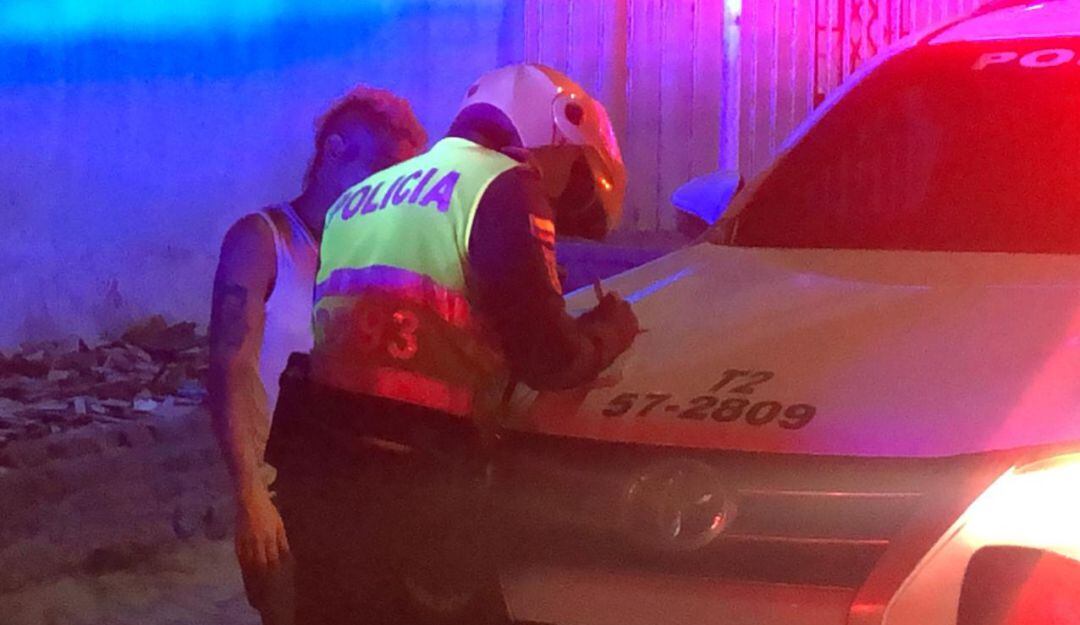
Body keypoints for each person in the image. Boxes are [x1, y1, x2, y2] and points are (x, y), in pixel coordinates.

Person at [266, 63, 641, 625]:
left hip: (322, 476)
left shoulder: (362, 195)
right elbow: (550, 359)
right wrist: (610, 331)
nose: (564, 194)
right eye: (574, 169)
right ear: (555, 138)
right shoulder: (503, 184)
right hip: (422, 487)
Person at [207, 85, 427, 625]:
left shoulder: (377, 256)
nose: (387, 190)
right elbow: (230, 369)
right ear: (334, 150)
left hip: (359, 492)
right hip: (284, 497)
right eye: (380, 169)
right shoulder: (263, 242)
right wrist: (250, 495)